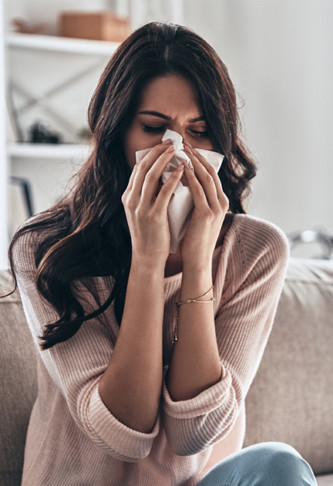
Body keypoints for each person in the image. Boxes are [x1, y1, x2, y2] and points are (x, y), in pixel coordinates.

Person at [6, 22, 316, 486]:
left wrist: (196, 265)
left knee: (279, 465)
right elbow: (123, 435)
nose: (180, 153)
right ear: (116, 135)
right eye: (154, 129)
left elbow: (195, 433)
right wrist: (149, 263)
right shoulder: (45, 247)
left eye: (201, 131)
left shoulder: (257, 251)